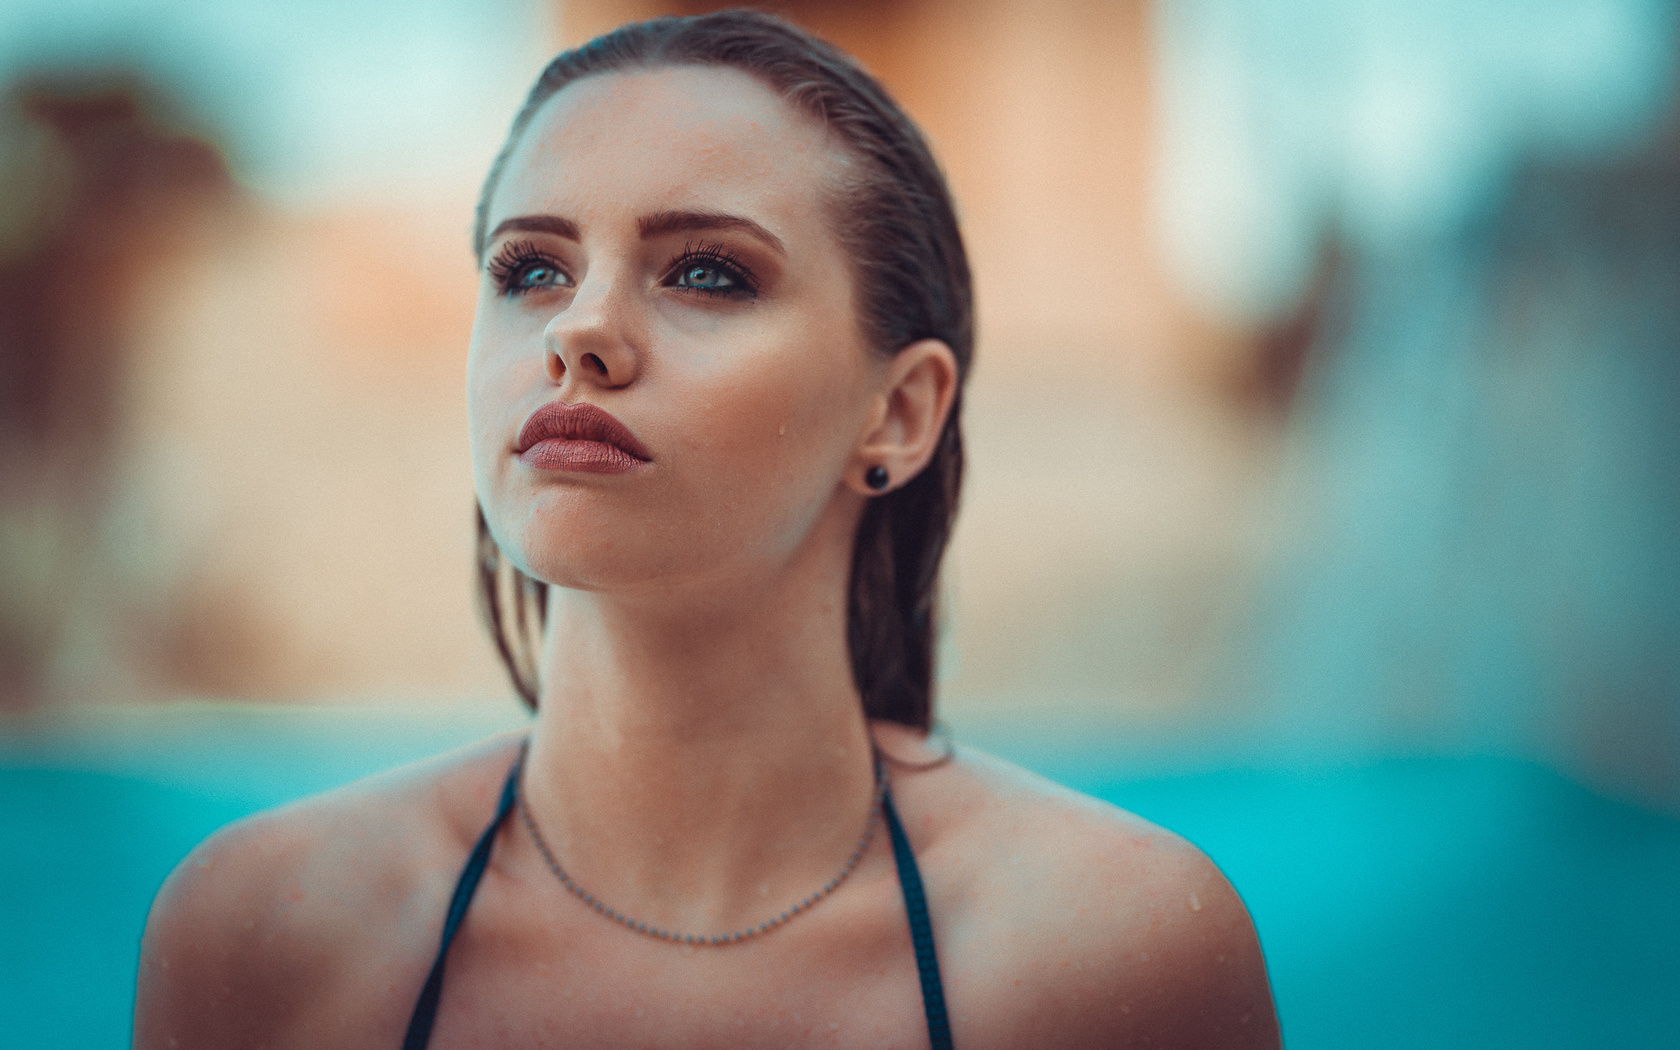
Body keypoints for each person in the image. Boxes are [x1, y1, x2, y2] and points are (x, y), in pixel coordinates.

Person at [135, 11, 1280, 1048]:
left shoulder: (1111, 957)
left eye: (706, 272)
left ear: (899, 413)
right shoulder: (263, 938)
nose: (581, 329)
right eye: (530, 267)